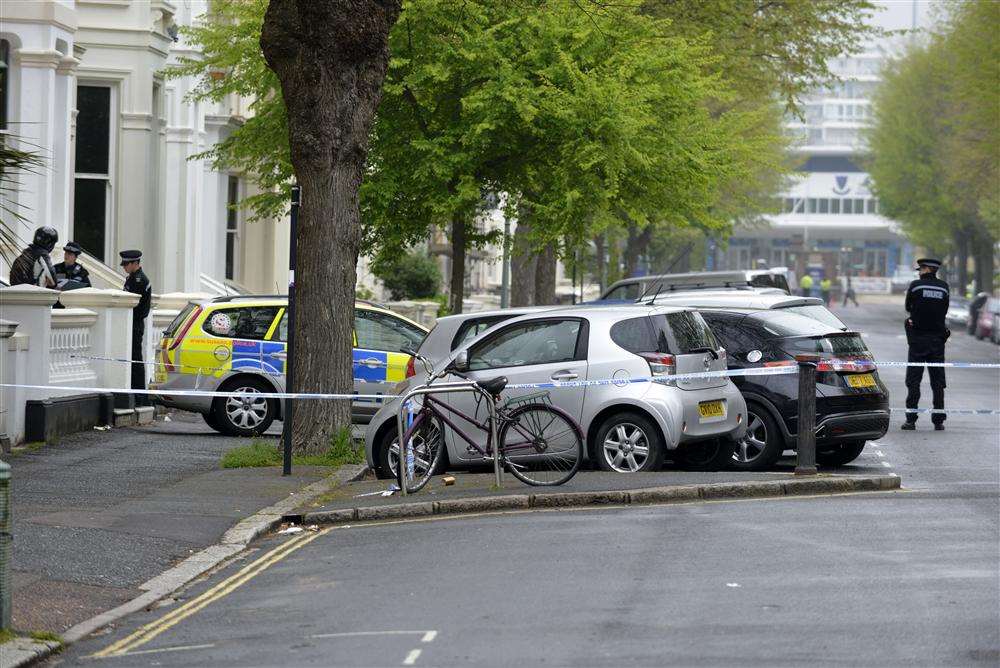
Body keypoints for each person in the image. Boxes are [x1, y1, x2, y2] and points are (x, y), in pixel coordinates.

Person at [902, 258, 950, 431]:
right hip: (937, 340)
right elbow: (945, 310)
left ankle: (911, 420)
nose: (919, 271)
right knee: (938, 382)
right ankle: (938, 420)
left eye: (921, 268)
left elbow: (908, 307)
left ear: (929, 269)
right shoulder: (944, 287)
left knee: (913, 381)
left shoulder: (915, 286)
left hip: (918, 340)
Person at [121, 250, 152, 406]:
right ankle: (138, 393)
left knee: (136, 360)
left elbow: (136, 307)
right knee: (133, 359)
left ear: (135, 263)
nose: (124, 267)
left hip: (135, 324)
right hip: (131, 324)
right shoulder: (133, 278)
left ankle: (140, 396)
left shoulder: (139, 280)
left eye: (126, 264)